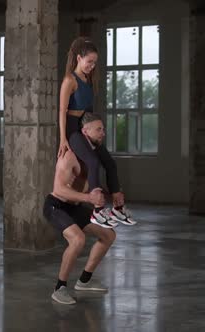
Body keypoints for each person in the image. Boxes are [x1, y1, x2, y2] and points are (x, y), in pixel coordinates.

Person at [57, 36, 136, 227]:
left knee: (109, 162)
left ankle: (118, 208)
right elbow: (62, 111)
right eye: (89, 61)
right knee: (92, 162)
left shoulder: (89, 79)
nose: (92, 66)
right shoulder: (70, 80)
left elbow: (89, 111)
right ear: (78, 58)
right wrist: (62, 139)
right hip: (73, 128)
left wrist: (94, 130)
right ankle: (97, 211)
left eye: (94, 62)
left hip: (87, 127)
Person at [44, 113, 117, 305]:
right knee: (78, 239)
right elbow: (59, 189)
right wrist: (88, 198)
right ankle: (59, 288)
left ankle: (84, 281)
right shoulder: (69, 156)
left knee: (108, 235)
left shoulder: (93, 157)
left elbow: (90, 187)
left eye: (103, 129)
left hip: (74, 207)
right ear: (85, 132)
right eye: (98, 129)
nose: (103, 133)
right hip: (56, 205)